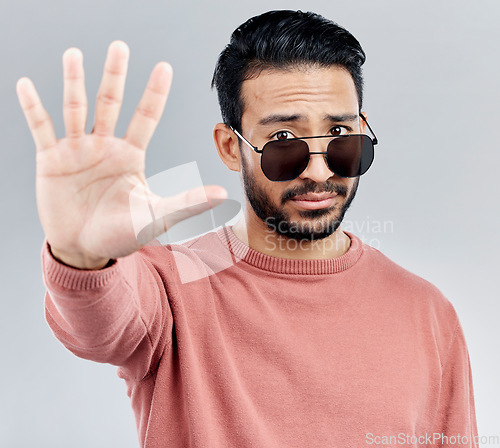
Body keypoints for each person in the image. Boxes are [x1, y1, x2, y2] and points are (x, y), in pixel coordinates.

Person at [17, 9, 478, 448]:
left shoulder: (428, 312)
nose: (319, 172)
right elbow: (99, 325)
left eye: (340, 136)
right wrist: (81, 255)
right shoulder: (171, 284)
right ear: (229, 147)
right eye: (282, 141)